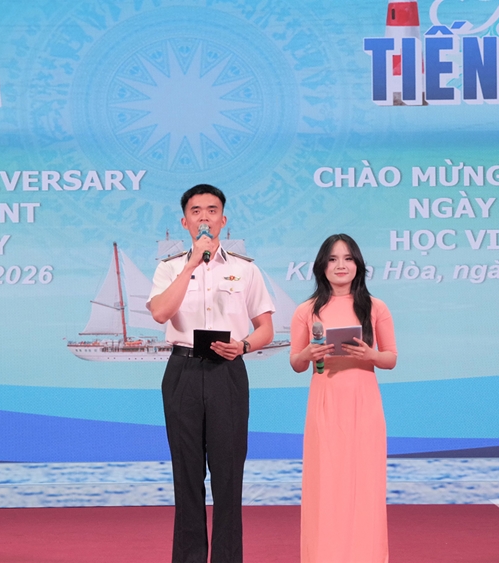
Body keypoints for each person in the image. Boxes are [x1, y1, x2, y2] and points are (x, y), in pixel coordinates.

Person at [147, 184, 275, 563]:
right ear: (185, 222)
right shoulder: (169, 268)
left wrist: (244, 346)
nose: (205, 217)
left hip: (227, 371)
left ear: (224, 219)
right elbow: (160, 313)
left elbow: (266, 328)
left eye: (212, 210)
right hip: (183, 371)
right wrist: (191, 265)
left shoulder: (245, 269)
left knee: (228, 476)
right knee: (186, 475)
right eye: (196, 211)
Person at [289, 234, 398, 563]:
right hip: (325, 401)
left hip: (363, 403)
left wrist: (370, 354)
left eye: (348, 259)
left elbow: (391, 358)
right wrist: (308, 353)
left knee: (365, 484)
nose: (341, 265)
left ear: (358, 265)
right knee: (325, 484)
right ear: (321, 266)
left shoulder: (376, 307)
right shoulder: (306, 311)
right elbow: (296, 363)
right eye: (333, 259)